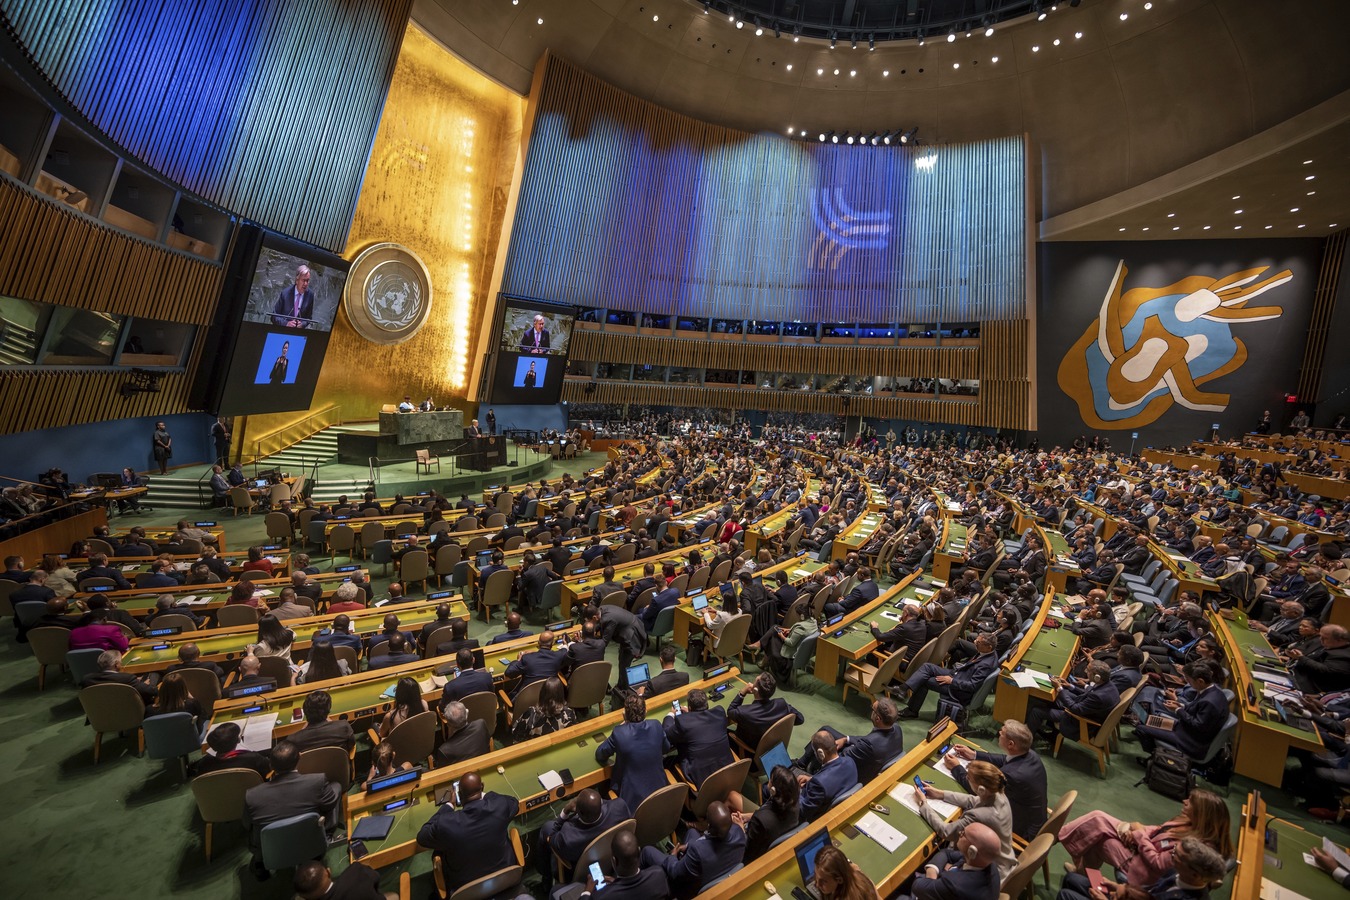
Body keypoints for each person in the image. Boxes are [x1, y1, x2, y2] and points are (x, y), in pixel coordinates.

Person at [1058, 788, 1233, 886]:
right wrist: (1137, 830)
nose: (1184, 802)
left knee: (1099, 837)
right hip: (1139, 848)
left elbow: (1157, 864)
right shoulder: (1189, 823)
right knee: (1099, 820)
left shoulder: (1194, 848)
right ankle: (1082, 874)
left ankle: (1055, 837)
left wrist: (1140, 836)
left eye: (1190, 802)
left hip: (1143, 867)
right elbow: (1158, 830)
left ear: (1202, 814)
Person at [241, 740, 341, 877]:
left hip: (272, 850)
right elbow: (330, 805)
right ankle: (327, 834)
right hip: (312, 843)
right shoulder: (317, 781)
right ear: (299, 758)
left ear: (270, 765)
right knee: (335, 787)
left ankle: (260, 862)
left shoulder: (252, 795)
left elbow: (247, 825)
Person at [415, 771, 518, 894]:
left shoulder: (446, 823)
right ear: (482, 787)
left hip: (466, 892)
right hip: (504, 881)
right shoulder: (499, 806)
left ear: (459, 794)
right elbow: (514, 803)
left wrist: (448, 806)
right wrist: (484, 794)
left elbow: (422, 836)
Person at [945, 720, 1047, 841]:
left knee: (969, 813)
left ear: (1011, 744)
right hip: (1034, 819)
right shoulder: (1031, 755)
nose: (999, 732)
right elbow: (1005, 759)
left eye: (1002, 733)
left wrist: (956, 767)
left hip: (1020, 831)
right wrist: (974, 755)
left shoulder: (1012, 775)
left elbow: (979, 789)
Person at [915, 760, 1016, 879]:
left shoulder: (979, 816)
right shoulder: (999, 794)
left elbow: (946, 831)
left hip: (989, 873)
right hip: (1005, 860)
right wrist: (940, 794)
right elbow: (973, 800)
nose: (967, 778)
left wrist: (923, 803)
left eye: (969, 778)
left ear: (981, 790)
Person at [1057, 836, 1228, 900]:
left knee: (1065, 895)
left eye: (1178, 856)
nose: (1172, 855)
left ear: (1195, 873)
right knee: (1072, 878)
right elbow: (1149, 893)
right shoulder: (1176, 873)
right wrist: (1122, 888)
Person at [639, 801, 745, 899]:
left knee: (647, 851)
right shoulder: (739, 833)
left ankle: (639, 887)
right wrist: (689, 846)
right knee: (692, 832)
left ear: (708, 826)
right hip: (716, 871)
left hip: (690, 887)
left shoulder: (698, 852)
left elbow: (675, 872)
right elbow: (704, 845)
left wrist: (672, 855)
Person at [537, 788, 632, 888]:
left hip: (583, 869)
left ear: (579, 812)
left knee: (547, 828)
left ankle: (546, 876)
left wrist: (565, 811)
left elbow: (551, 837)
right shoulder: (620, 807)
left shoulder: (568, 838)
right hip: (613, 856)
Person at [1133, 661, 1228, 759]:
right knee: (1150, 720)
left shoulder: (1209, 702)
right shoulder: (1213, 691)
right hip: (1185, 729)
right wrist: (1181, 705)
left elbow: (1198, 726)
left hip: (1190, 740)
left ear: (1200, 681)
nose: (1188, 683)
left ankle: (1158, 759)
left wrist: (1178, 710)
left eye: (1189, 680)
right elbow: (1197, 710)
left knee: (1141, 728)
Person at [898, 632, 999, 721]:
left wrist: (951, 681)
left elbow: (972, 685)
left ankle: (911, 711)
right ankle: (903, 688)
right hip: (958, 675)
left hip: (958, 689)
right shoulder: (988, 653)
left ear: (989, 647)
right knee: (927, 666)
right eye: (977, 640)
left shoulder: (986, 664)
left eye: (979, 642)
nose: (975, 642)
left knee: (924, 681)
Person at [596, 693, 671, 811]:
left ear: (624, 714)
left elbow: (600, 754)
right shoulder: (656, 725)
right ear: (645, 712)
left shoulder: (619, 733)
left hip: (632, 805)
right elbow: (666, 748)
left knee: (602, 785)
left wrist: (623, 725)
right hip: (661, 794)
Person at [906, 821, 1002, 900]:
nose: (960, 833)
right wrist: (934, 869)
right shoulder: (987, 864)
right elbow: (946, 853)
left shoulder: (955, 885)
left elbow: (917, 887)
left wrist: (931, 877)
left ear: (972, 851)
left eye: (963, 834)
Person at [665, 688, 735, 788]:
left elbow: (667, 733)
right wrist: (690, 714)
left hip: (702, 780)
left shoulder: (683, 722)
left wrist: (670, 715)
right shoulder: (719, 712)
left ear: (689, 707)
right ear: (706, 703)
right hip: (727, 771)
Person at [733, 764, 800, 862]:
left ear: (773, 790)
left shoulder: (760, 819)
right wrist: (747, 816)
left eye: (770, 780)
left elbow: (747, 851)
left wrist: (740, 827)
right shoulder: (794, 804)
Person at [584, 830, 671, 900]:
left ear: (614, 861)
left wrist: (587, 892)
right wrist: (616, 883)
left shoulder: (601, 896)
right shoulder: (659, 874)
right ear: (639, 852)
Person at [727, 672, 804, 750]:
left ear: (755, 690)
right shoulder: (781, 704)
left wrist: (742, 693)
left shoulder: (745, 712)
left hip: (751, 750)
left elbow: (730, 711)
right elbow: (800, 719)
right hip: (772, 747)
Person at [798, 730, 860, 822]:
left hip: (815, 819)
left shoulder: (819, 784)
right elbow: (834, 781)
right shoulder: (850, 761)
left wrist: (793, 790)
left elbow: (803, 811)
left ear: (820, 753)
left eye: (814, 752)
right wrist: (812, 779)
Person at [195, 721, 272, 778]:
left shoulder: (204, 764)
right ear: (238, 740)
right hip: (253, 796)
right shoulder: (254, 758)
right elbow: (269, 774)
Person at [287, 690, 356, 754]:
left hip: (310, 767)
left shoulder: (293, 740)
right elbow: (351, 745)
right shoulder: (343, 727)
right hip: (340, 766)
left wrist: (303, 731)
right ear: (328, 711)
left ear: (305, 712)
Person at [511, 675, 576, 741]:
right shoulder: (569, 713)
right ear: (561, 694)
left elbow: (517, 735)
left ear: (542, 692)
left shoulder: (531, 713)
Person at [293, 859, 397, 900]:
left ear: (303, 897)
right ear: (328, 872)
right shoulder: (355, 873)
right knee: (394, 896)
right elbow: (376, 877)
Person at [80, 649, 157, 704]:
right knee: (154, 675)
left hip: (100, 715)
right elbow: (152, 691)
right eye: (121, 661)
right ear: (116, 664)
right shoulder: (127, 678)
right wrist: (145, 685)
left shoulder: (87, 679)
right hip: (130, 711)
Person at [505, 631, 567, 696]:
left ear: (538, 643)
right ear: (553, 643)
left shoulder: (527, 659)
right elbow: (564, 651)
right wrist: (565, 644)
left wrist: (519, 659)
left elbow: (509, 673)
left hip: (527, 699)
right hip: (549, 697)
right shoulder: (558, 656)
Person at [812, 844, 881, 900]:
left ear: (839, 880)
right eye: (815, 875)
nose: (817, 885)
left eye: (823, 881)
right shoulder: (860, 877)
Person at [435, 700, 490, 766]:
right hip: (484, 764)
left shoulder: (444, 750)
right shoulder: (481, 725)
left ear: (448, 724)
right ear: (467, 714)